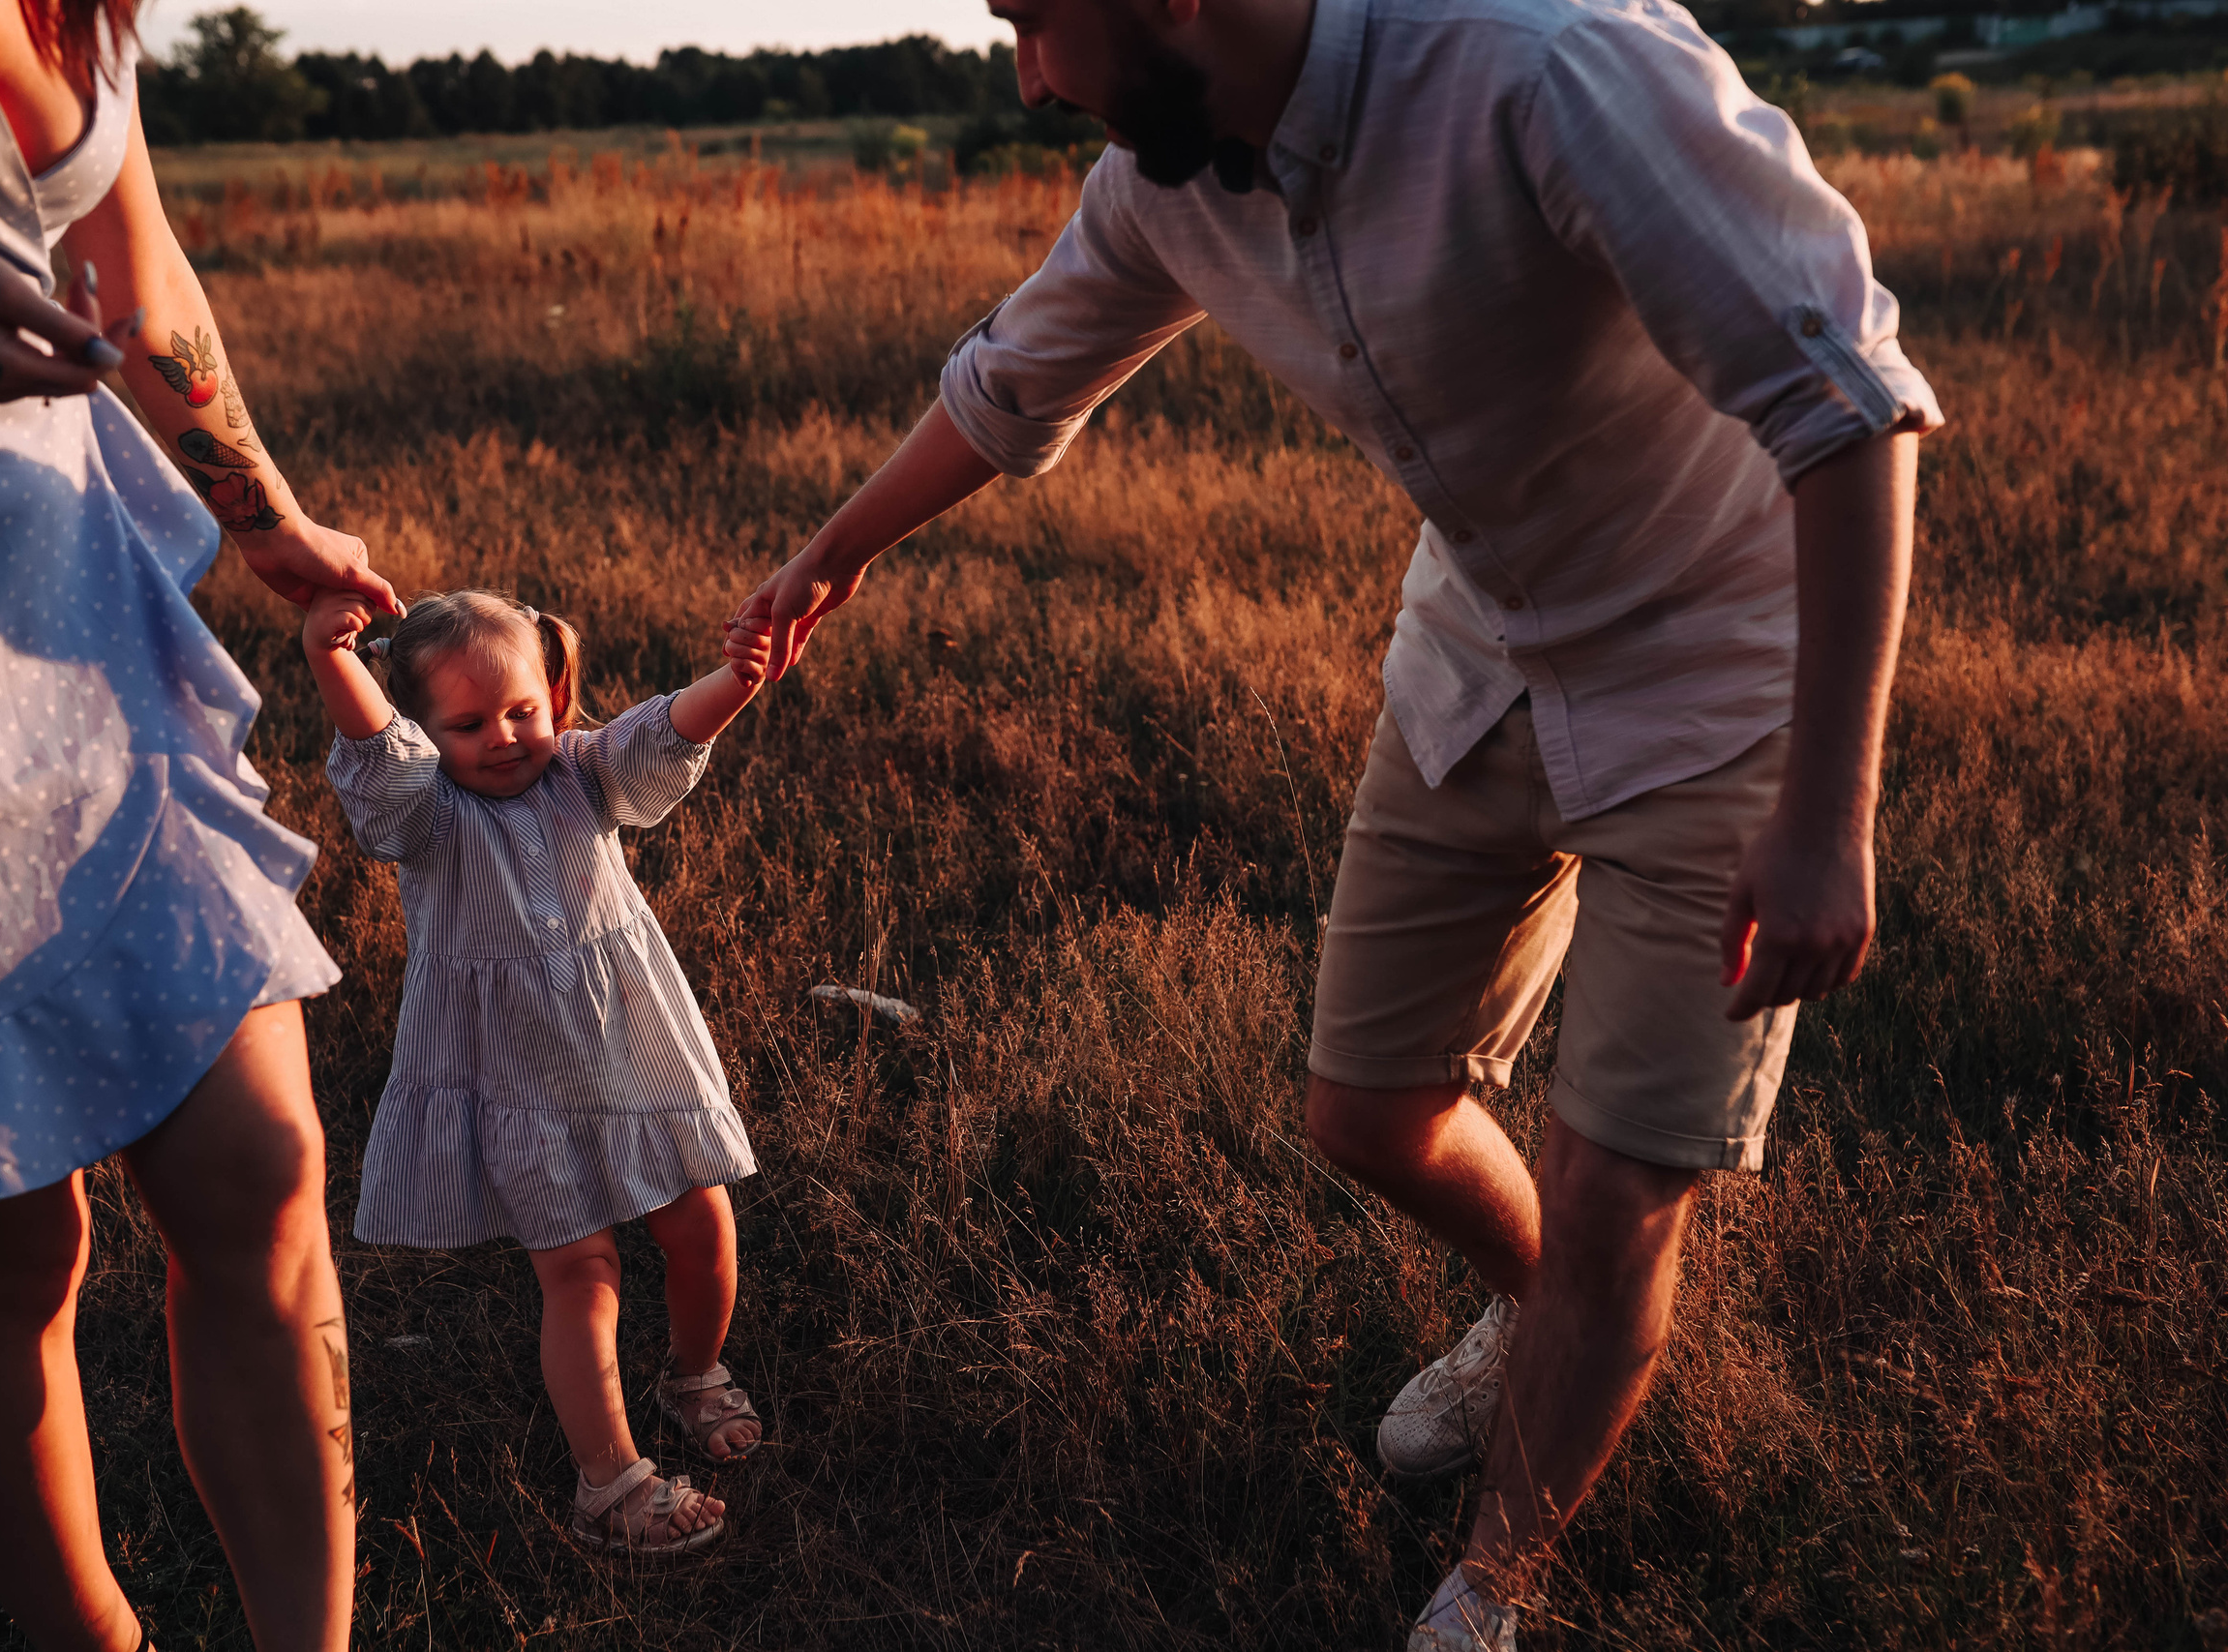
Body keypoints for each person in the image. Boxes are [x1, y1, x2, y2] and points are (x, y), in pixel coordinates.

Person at [738, 0, 1938, 1642]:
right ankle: (1543, 1317)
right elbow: (1016, 379)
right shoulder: (1169, 168)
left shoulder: (1546, 63)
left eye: (1031, 25)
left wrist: (1826, 813)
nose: (1023, 77)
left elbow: (1847, 400)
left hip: (1721, 682)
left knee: (1613, 1189)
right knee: (1369, 1108)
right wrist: (835, 553)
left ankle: (1491, 1585)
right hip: (1485, 657)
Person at [0, 2, 401, 1646]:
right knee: (7, 1253)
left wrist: (267, 519)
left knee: (263, 1171)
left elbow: (137, 273)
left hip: (71, 612)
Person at [304, 586, 772, 1557]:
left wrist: (736, 678)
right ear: (423, 733)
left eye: (523, 709)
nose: (507, 737)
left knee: (701, 1223)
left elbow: (659, 738)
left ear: (554, 694)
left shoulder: (584, 772)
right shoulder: (427, 816)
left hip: (632, 1056)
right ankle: (609, 1482)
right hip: (515, 1082)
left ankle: (693, 1371)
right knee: (582, 1270)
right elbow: (378, 767)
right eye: (467, 724)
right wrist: (334, 662)